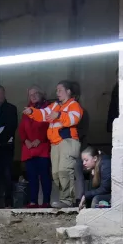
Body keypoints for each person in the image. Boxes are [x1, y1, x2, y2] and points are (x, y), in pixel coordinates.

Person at [23, 80, 84, 208]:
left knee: (64, 171)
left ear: (68, 91)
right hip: (55, 144)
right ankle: (65, 199)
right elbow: (43, 114)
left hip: (67, 141)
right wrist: (32, 112)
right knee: (56, 174)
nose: (57, 93)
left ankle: (67, 200)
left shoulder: (74, 105)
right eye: (57, 90)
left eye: (60, 90)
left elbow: (74, 119)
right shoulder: (55, 105)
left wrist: (59, 115)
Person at [18, 85, 52, 208]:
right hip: (29, 148)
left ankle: (46, 201)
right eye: (30, 94)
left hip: (43, 146)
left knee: (44, 175)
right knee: (31, 176)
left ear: (41, 94)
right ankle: (33, 201)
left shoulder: (48, 108)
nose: (33, 96)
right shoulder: (27, 110)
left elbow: (49, 125)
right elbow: (21, 128)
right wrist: (25, 140)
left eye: (35, 93)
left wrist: (40, 139)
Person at [0, 85, 18, 208]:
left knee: (8, 174)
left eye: (1, 93)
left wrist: (0, 140)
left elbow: (11, 127)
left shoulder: (11, 108)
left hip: (7, 146)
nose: (0, 96)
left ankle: (8, 201)